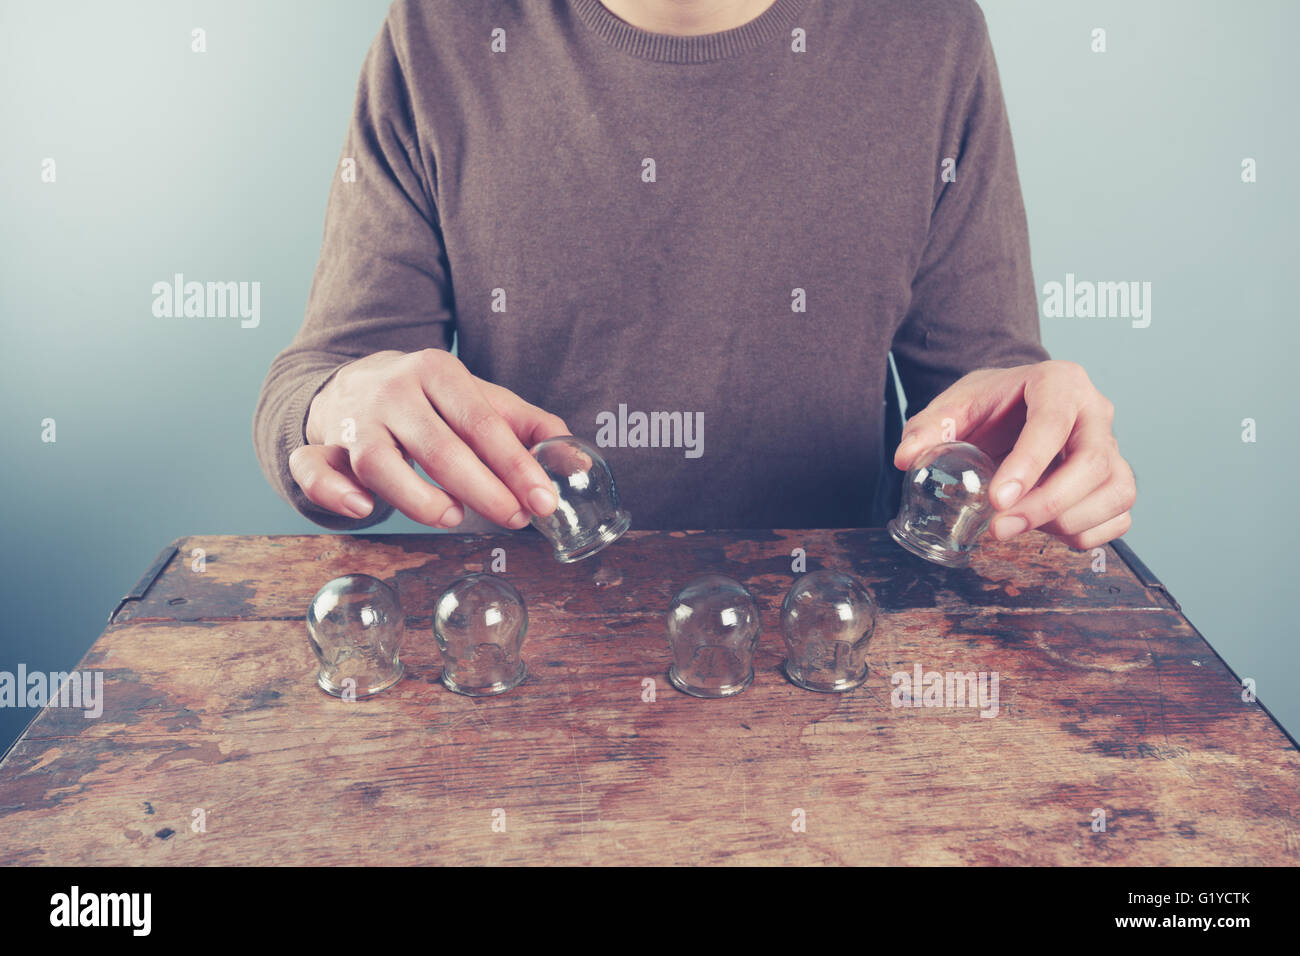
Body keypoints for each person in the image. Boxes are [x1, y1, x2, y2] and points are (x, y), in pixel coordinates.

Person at [254, 0, 1136, 549]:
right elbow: (321, 379)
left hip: (834, 650)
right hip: (524, 645)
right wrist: (342, 409)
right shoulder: (437, 32)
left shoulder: (932, 36)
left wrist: (1034, 448)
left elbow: (979, 395)